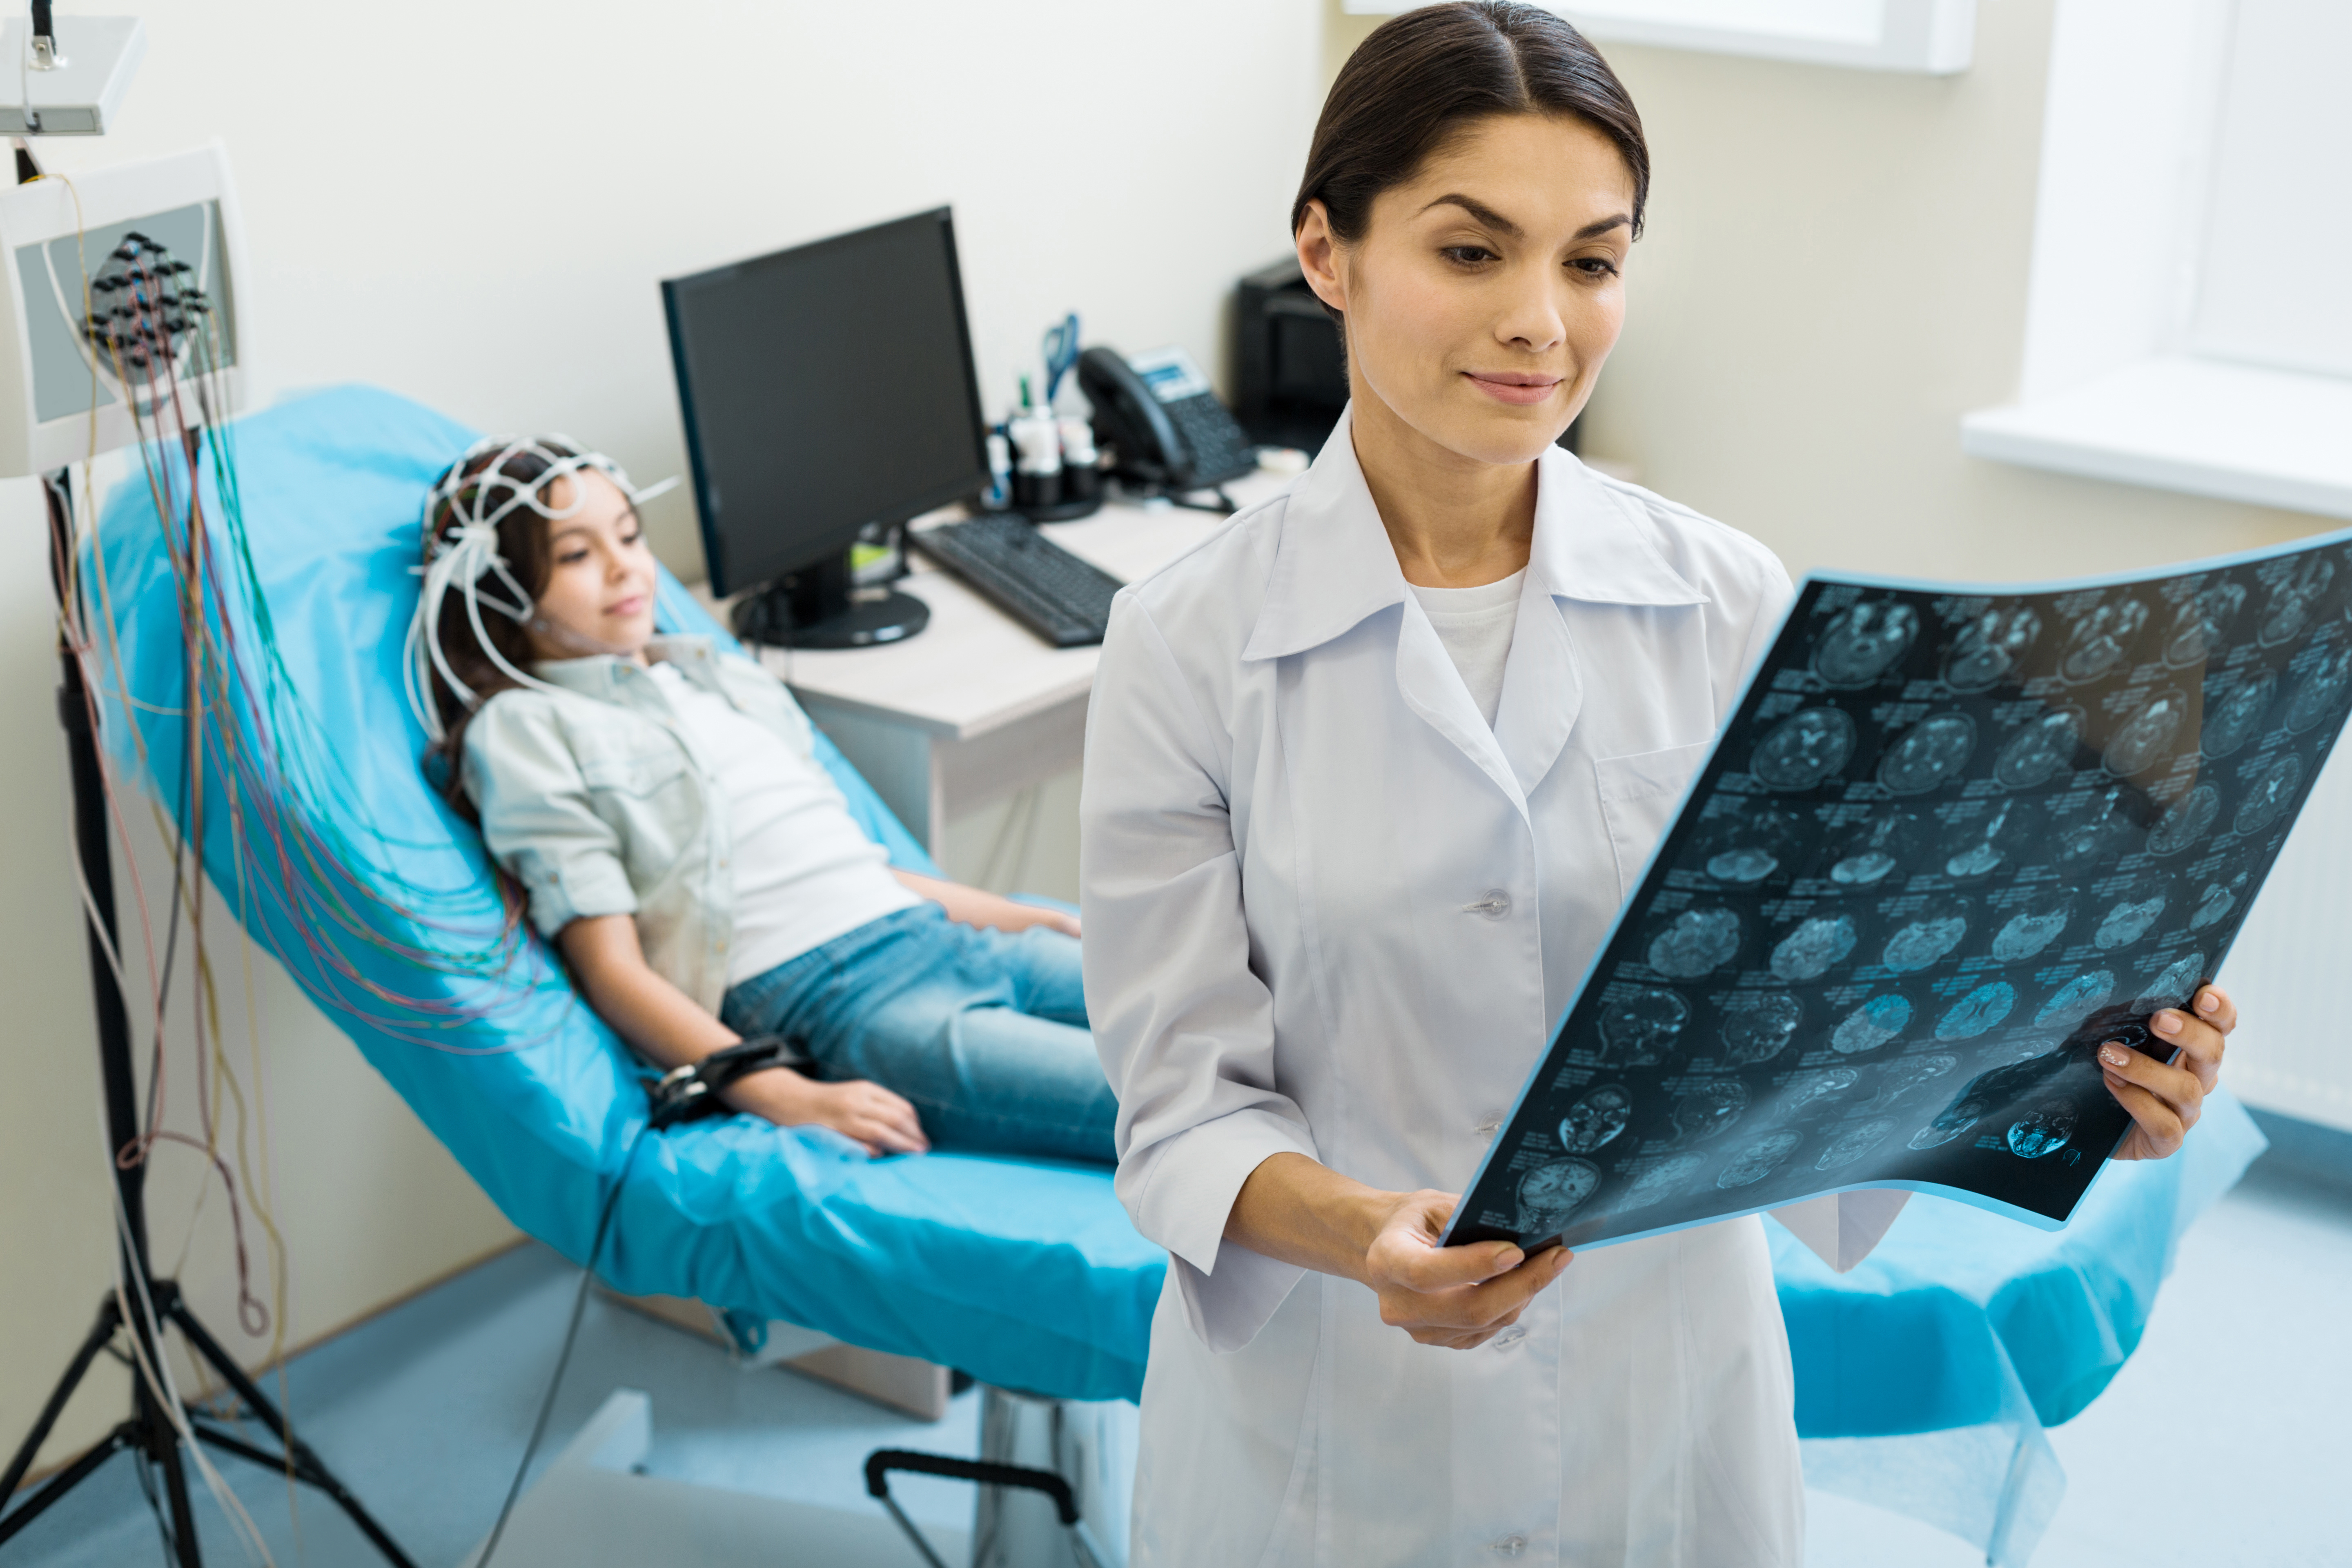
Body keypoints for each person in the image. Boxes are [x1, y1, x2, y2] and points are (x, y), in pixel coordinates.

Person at [1076, 4, 2237, 1563]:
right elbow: (1181, 1113)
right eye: (1473, 252)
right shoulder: (1186, 643)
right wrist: (1372, 1241)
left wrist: (2082, 1096)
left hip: (1665, 1412)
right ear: (1326, 250)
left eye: (1593, 261)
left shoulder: (1726, 597)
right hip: (1330, 1448)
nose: (1541, 322)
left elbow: (1838, 1024)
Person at [408, 435, 1116, 1163]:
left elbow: (844, 869)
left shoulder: (714, 676)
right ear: (500, 591)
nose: (626, 566)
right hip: (853, 1004)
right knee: (1176, 1106)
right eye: (577, 555)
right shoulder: (526, 729)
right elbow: (613, 970)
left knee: (1235, 1021)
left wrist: (1019, 918)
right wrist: (778, 1090)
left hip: (943, 937)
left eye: (628, 535)